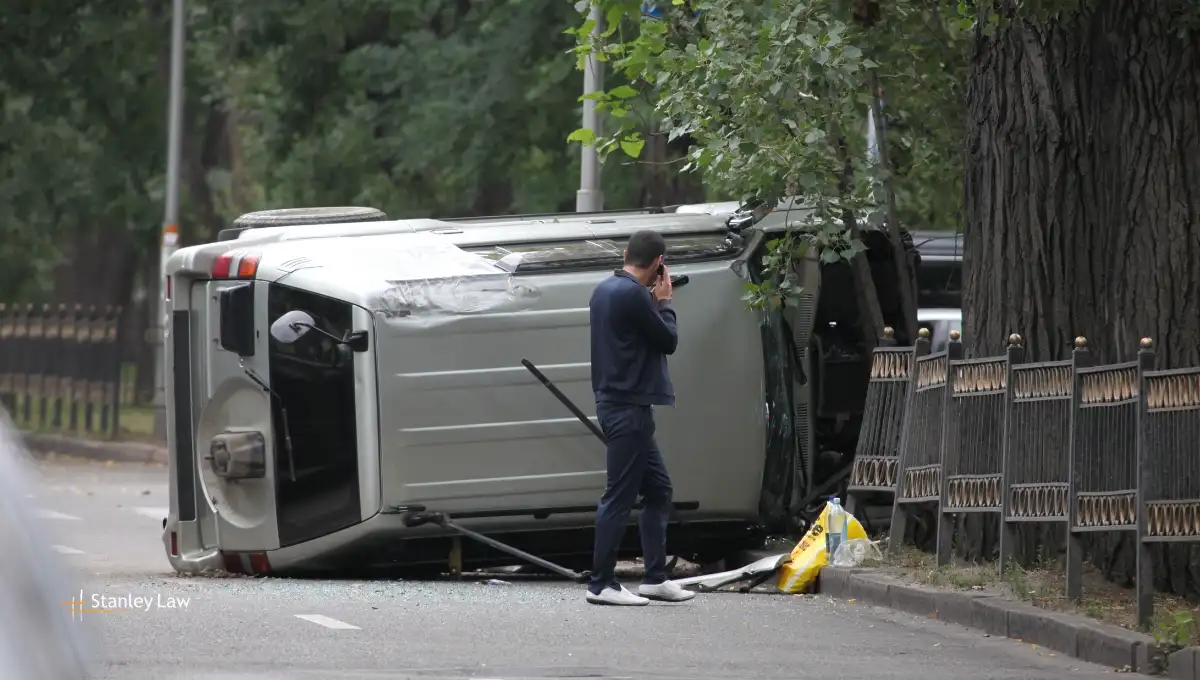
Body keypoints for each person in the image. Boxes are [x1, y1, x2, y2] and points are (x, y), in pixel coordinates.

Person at [584, 230, 695, 606]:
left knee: (659, 490)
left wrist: (651, 300)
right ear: (658, 263)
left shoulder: (606, 289)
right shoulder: (635, 295)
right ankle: (600, 584)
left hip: (621, 405)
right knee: (619, 495)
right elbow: (668, 340)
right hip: (627, 408)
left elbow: (631, 332)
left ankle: (654, 578)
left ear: (625, 254)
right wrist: (664, 302)